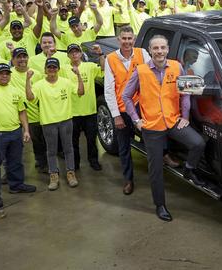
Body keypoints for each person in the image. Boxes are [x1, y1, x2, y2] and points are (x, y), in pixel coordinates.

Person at [122, 35, 206, 222]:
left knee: (198, 143)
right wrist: (136, 120)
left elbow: (185, 93)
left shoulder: (176, 66)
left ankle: (189, 169)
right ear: (150, 51)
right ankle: (160, 205)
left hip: (172, 120)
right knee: (156, 168)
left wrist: (185, 117)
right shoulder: (141, 71)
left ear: (167, 49)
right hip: (151, 126)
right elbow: (126, 96)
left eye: (162, 48)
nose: (159, 51)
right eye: (155, 48)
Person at [105, 27, 175, 195]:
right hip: (123, 109)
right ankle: (128, 179)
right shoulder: (111, 59)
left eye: (130, 38)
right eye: (124, 38)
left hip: (141, 106)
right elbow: (109, 89)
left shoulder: (142, 53)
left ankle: (164, 154)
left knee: (156, 132)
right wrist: (116, 116)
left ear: (134, 39)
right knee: (124, 146)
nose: (127, 41)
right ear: (118, 39)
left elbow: (154, 70)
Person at [0, 62, 36, 214]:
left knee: (15, 161)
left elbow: (22, 111)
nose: (4, 76)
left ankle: (16, 185)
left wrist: (26, 130)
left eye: (7, 73)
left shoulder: (15, 91)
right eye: (0, 73)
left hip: (15, 132)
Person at [25, 58, 84, 190]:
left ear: (58, 69)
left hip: (66, 121)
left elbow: (80, 92)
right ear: (45, 69)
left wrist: (79, 75)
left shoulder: (66, 82)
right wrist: (27, 80)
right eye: (49, 67)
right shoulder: (39, 85)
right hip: (48, 122)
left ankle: (70, 173)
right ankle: (54, 175)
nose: (52, 70)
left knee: (68, 148)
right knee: (51, 151)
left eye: (54, 67)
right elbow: (30, 97)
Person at [66, 44, 104, 171]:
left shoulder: (89, 67)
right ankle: (75, 163)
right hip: (72, 112)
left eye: (77, 52)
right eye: (72, 52)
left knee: (91, 139)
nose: (74, 54)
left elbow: (103, 69)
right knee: (73, 141)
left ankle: (93, 160)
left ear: (81, 54)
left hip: (90, 111)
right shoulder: (64, 69)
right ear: (68, 55)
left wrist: (100, 54)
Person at [9, 47, 47, 172]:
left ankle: (42, 163)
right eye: (18, 57)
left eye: (24, 56)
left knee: (38, 142)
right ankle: (11, 171)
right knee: (13, 147)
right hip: (13, 116)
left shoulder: (36, 73)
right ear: (13, 59)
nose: (22, 59)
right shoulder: (7, 74)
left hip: (33, 114)